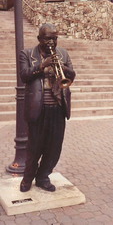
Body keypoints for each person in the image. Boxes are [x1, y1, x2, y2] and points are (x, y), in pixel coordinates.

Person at [19, 23, 76, 192]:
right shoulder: (27, 54)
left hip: (58, 107)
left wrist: (62, 66)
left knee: (54, 147)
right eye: (48, 38)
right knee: (34, 146)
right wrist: (42, 65)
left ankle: (43, 177)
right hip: (38, 107)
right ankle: (28, 178)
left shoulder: (63, 54)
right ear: (39, 39)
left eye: (55, 38)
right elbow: (24, 76)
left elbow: (72, 75)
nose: (52, 42)